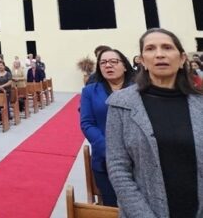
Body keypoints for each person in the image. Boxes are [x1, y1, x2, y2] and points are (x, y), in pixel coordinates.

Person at [106, 28, 203, 218]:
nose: (159, 54)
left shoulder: (200, 103)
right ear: (142, 60)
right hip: (144, 211)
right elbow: (118, 169)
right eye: (150, 49)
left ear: (182, 58)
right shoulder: (121, 104)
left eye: (167, 47)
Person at [80, 48, 134, 207]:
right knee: (113, 206)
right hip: (105, 159)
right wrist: (109, 149)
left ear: (125, 66)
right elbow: (87, 123)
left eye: (113, 61)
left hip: (138, 158)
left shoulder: (139, 89)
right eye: (103, 62)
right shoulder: (90, 91)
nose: (108, 65)